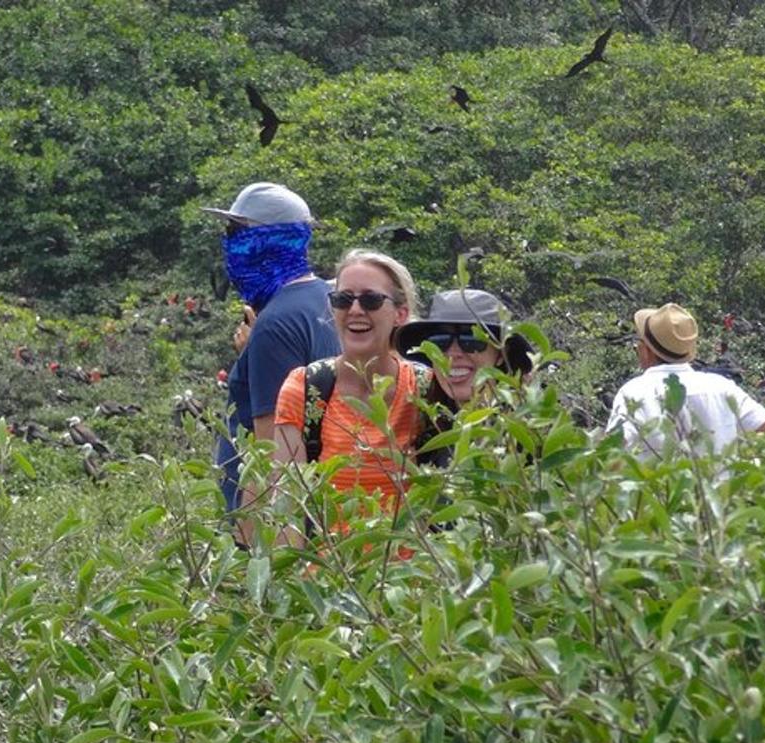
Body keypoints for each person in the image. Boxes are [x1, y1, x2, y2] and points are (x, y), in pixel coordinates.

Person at [203, 182, 340, 516]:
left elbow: (273, 458)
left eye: (236, 230)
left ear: (265, 241)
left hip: (269, 532)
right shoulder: (331, 300)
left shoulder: (274, 324)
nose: (228, 241)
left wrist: (258, 549)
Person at [271, 249, 425, 520]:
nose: (355, 310)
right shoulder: (306, 389)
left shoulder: (425, 389)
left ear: (400, 313)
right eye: (343, 299)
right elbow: (288, 508)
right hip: (328, 562)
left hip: (410, 561)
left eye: (371, 300)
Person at [607, 302, 765, 456]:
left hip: (660, 492)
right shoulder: (722, 387)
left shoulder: (634, 392)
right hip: (721, 492)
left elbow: (611, 451)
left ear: (646, 351)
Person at [395, 288, 533, 467]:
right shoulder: (425, 437)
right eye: (439, 341)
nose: (453, 354)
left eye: (472, 340)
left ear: (501, 352)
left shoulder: (531, 429)